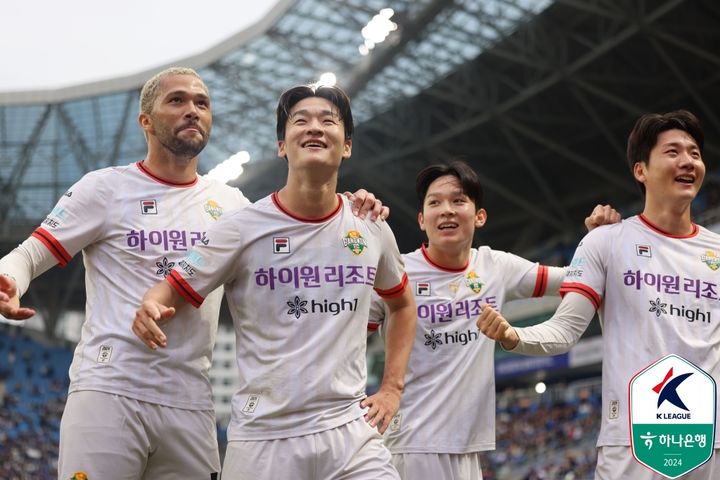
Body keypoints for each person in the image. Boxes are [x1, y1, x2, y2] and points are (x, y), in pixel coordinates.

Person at [0, 67, 387, 480]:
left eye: (202, 103)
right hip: (111, 390)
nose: (192, 111)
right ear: (145, 120)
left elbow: (303, 239)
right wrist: (10, 280)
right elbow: (28, 255)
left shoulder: (235, 207)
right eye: (177, 101)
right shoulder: (104, 189)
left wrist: (351, 205)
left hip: (191, 402)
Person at [132, 83, 417, 479]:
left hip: (351, 434)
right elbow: (173, 287)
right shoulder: (240, 228)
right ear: (283, 146)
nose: (314, 128)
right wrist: (151, 303)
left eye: (328, 121)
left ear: (346, 145)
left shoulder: (370, 226)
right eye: (301, 121)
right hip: (264, 439)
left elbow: (401, 304)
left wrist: (392, 389)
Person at [478, 109, 720, 479]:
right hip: (633, 440)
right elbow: (565, 329)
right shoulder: (606, 242)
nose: (688, 161)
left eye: (695, 153)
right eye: (673, 152)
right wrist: (514, 336)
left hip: (707, 441)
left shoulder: (716, 251)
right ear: (641, 170)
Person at [367, 159, 618, 479]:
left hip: (468, 449)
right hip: (412, 446)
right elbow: (347, 329)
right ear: (421, 219)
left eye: (458, 200)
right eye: (435, 202)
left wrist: (596, 243)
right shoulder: (398, 272)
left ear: (479, 216)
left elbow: (574, 279)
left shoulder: (495, 266)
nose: (446, 210)